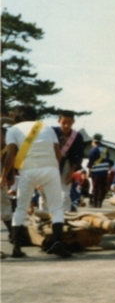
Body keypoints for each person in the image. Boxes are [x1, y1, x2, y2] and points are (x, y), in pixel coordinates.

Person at [1, 105, 72, 258]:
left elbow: (11, 155)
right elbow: (58, 154)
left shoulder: (13, 130)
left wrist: (4, 175)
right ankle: (58, 244)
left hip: (28, 170)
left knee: (21, 208)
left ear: (15, 117)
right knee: (56, 208)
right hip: (50, 169)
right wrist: (52, 169)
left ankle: (16, 249)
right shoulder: (47, 128)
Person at [53, 110, 85, 212]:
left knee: (65, 192)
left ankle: (65, 214)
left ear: (73, 122)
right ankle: (46, 213)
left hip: (67, 165)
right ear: (59, 121)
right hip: (51, 164)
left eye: (69, 122)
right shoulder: (51, 132)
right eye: (64, 122)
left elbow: (78, 155)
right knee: (46, 190)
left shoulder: (77, 136)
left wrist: (72, 171)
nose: (66, 125)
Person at [87, 134, 111, 208]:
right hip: (104, 171)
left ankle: (95, 203)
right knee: (102, 187)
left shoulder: (93, 150)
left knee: (95, 187)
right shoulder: (106, 149)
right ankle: (100, 202)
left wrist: (89, 171)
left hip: (96, 171)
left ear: (94, 141)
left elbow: (90, 162)